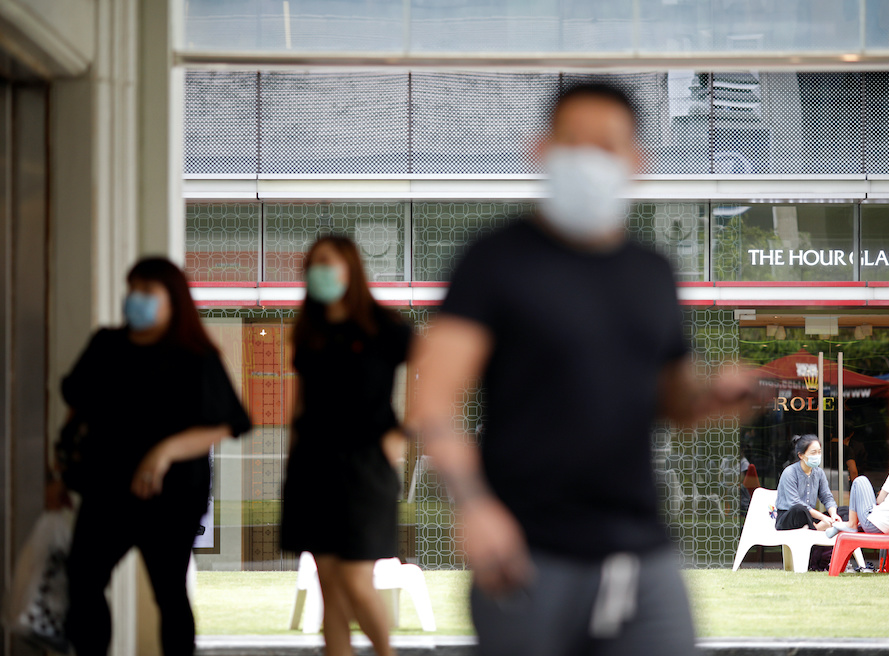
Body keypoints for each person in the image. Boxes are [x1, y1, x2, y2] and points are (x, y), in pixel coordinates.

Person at [408, 83, 758, 656]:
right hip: (525, 553)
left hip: (642, 554)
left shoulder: (652, 272)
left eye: (608, 144)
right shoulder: (494, 260)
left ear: (637, 161)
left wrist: (714, 394)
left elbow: (674, 402)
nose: (591, 158)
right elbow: (433, 403)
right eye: (574, 141)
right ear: (541, 149)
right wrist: (475, 507)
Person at [54, 257, 251, 656]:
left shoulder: (195, 356)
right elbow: (77, 411)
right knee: (84, 580)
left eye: (147, 291)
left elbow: (227, 423)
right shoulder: (105, 345)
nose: (135, 299)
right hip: (105, 486)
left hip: (173, 494)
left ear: (172, 299)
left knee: (168, 593)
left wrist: (163, 452)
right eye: (132, 289)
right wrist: (57, 475)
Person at [280, 235, 413, 656]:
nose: (317, 270)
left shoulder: (386, 327)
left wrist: (401, 436)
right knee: (329, 585)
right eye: (312, 263)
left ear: (350, 268)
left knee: (356, 580)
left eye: (327, 262)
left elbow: (436, 380)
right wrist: (292, 453)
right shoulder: (309, 332)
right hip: (311, 465)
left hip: (366, 467)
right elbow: (301, 403)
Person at [825, 446, 889, 537]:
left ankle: (851, 524)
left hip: (874, 526)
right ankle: (842, 527)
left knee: (860, 481)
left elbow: (879, 500)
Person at [774, 435, 839, 531]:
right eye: (813, 453)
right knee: (799, 509)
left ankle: (817, 526)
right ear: (801, 455)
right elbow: (794, 503)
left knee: (844, 511)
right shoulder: (790, 472)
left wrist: (834, 515)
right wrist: (823, 517)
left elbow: (827, 497)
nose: (817, 455)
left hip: (809, 517)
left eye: (819, 452)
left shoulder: (819, 473)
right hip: (789, 518)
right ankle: (816, 528)